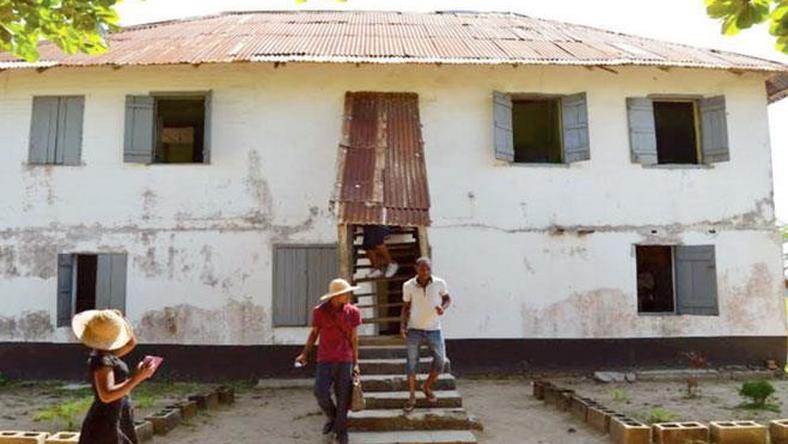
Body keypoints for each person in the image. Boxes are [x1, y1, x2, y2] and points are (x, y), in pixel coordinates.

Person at [72, 309, 156, 444]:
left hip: (116, 415)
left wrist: (121, 320)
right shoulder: (101, 360)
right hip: (106, 422)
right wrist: (138, 377)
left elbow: (131, 343)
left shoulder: (107, 354)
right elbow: (106, 395)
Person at [295, 278, 362, 444]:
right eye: (344, 293)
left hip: (345, 359)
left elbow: (354, 338)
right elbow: (314, 333)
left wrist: (356, 361)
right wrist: (305, 354)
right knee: (320, 392)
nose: (347, 295)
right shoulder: (320, 311)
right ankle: (332, 417)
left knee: (343, 397)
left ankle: (341, 432)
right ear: (335, 296)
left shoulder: (353, 312)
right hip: (324, 358)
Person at [400, 257, 451, 412]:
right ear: (416, 269)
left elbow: (447, 298)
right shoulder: (408, 285)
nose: (425, 272)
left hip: (434, 329)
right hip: (414, 329)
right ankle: (412, 396)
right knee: (411, 363)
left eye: (428, 269)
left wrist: (443, 307)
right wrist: (402, 326)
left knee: (440, 361)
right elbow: (406, 307)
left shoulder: (439, 283)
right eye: (422, 269)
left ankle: (426, 387)